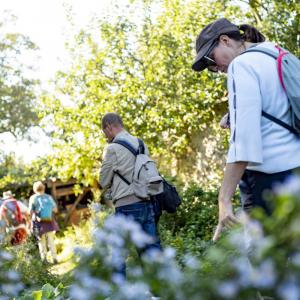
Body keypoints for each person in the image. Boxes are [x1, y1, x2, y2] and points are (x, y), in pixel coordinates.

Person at [192, 18, 300, 241]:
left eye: (210, 59)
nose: (215, 68)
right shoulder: (273, 52)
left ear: (225, 41)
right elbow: (278, 105)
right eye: (210, 69)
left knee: (267, 265)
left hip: (270, 182)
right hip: (294, 170)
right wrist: (234, 116)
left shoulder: (240, 66)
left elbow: (245, 142)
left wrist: (223, 199)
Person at [99, 112, 161, 277]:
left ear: (109, 127)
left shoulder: (111, 149)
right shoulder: (140, 143)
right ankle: (162, 287)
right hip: (147, 202)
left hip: (126, 205)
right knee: (151, 247)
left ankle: (120, 289)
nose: (106, 136)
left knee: (119, 251)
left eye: (104, 132)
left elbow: (103, 181)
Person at [29, 181, 59, 264]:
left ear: (34, 189)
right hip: (48, 221)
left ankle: (44, 259)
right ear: (43, 188)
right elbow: (55, 210)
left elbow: (30, 212)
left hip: (39, 222)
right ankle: (54, 258)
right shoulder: (48, 197)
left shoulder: (33, 198)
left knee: (41, 241)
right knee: (51, 240)